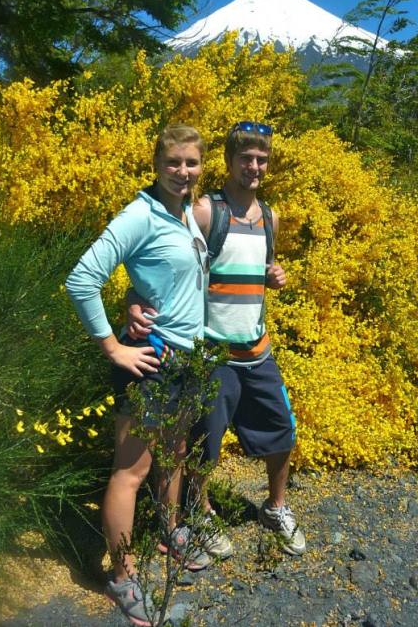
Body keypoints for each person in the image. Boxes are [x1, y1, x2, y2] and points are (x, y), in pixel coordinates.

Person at [127, 121, 306, 558]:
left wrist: (275, 277)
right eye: (245, 157)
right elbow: (169, 265)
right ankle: (201, 509)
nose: (254, 166)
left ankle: (276, 506)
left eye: (262, 159)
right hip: (213, 353)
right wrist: (132, 298)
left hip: (258, 350)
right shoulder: (208, 211)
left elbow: (261, 268)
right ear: (228, 162)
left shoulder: (270, 216)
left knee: (283, 430)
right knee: (208, 440)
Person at [66, 124, 210, 627]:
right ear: (156, 164)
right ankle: (123, 574)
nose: (182, 172)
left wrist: (134, 297)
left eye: (191, 163)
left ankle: (170, 530)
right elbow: (82, 278)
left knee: (171, 456)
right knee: (131, 471)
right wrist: (112, 346)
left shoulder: (188, 213)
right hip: (149, 359)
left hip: (187, 359)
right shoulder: (139, 215)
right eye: (173, 163)